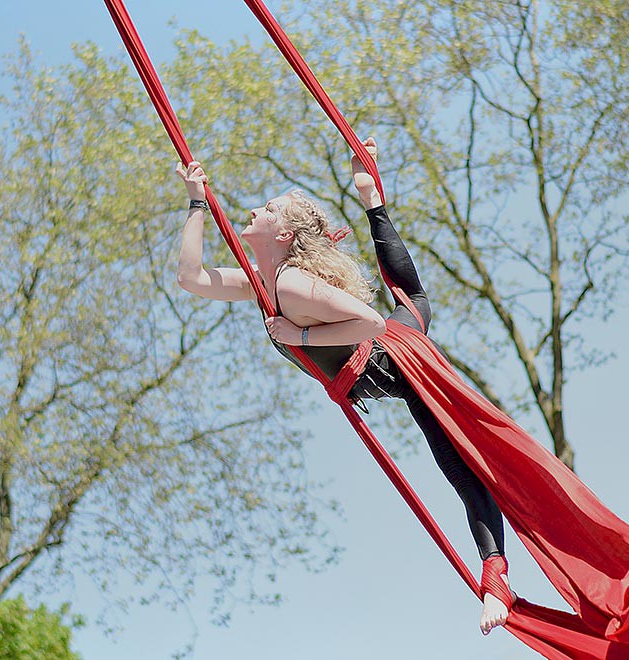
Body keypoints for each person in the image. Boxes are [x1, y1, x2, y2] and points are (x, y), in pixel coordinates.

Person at [175, 138, 513, 634]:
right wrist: (196, 202)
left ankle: (496, 580)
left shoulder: (290, 285)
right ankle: (370, 195)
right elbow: (192, 277)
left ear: (285, 233)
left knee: (457, 465)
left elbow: (371, 321)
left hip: (399, 359)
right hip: (396, 343)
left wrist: (302, 334)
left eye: (267, 208)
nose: (253, 208)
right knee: (413, 299)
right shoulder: (261, 282)